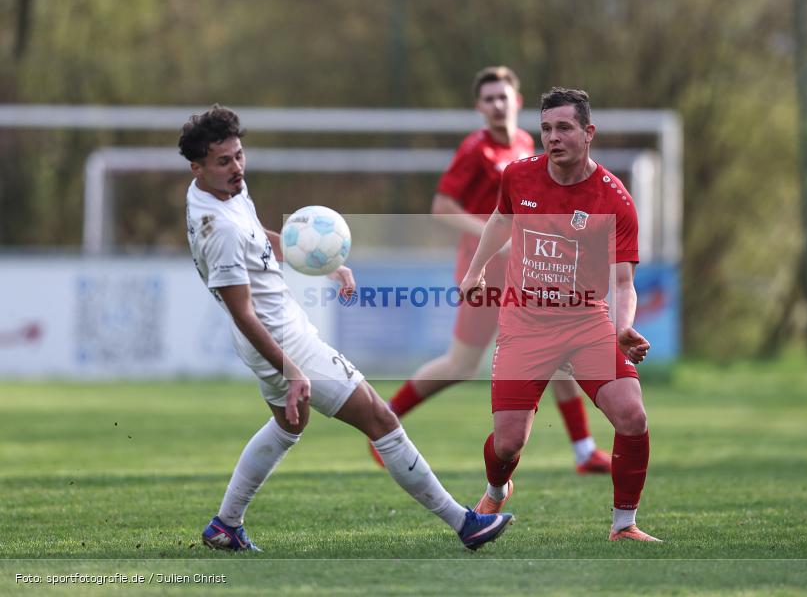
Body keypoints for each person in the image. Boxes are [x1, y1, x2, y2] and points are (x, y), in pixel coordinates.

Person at [179, 105, 513, 552]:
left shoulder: (223, 191)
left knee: (287, 427)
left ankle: (226, 524)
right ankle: (464, 522)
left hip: (272, 339)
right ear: (197, 166)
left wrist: (322, 263)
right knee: (380, 417)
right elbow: (242, 311)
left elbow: (257, 238)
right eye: (224, 162)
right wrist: (292, 368)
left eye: (239, 155)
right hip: (282, 340)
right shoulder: (214, 227)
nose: (237, 168)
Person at [380, 67, 612, 475]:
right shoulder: (475, 150)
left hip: (527, 273)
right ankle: (381, 420)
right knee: (460, 364)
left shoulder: (526, 143)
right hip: (485, 273)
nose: (497, 104)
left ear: (517, 101)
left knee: (557, 356)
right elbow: (442, 208)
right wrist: (497, 237)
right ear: (479, 108)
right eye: (488, 99)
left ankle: (584, 450)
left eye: (503, 96)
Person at [459, 88, 661, 542]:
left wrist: (623, 326)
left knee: (632, 416)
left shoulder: (615, 199)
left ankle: (623, 525)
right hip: (523, 324)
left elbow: (623, 283)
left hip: (586, 322)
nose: (553, 137)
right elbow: (499, 219)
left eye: (564, 128)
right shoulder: (518, 176)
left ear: (588, 133)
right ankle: (497, 488)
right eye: (546, 128)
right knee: (509, 443)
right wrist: (475, 272)